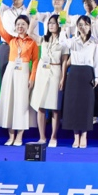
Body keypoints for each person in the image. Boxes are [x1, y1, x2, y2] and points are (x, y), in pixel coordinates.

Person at [0, 10, 38, 146]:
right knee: (10, 102)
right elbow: (0, 29)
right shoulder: (11, 40)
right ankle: (11, 136)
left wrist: (32, 78)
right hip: (11, 72)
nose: (20, 26)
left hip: (24, 73)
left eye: (23, 24)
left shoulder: (32, 42)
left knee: (21, 103)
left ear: (28, 26)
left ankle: (19, 136)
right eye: (18, 24)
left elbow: (35, 61)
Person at [60, 15, 98, 149]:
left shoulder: (94, 43)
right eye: (80, 25)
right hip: (74, 74)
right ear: (77, 27)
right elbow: (62, 42)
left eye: (85, 24)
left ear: (90, 26)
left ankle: (84, 135)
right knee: (73, 106)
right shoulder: (73, 41)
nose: (83, 27)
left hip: (88, 74)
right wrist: (63, 28)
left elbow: (97, 61)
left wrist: (97, 78)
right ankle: (76, 136)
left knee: (86, 106)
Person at [30, 14, 66, 146]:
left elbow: (64, 61)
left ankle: (53, 137)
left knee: (55, 107)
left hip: (55, 72)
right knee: (40, 106)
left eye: (53, 23)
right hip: (42, 72)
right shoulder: (43, 39)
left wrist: (63, 78)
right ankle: (42, 137)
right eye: (49, 23)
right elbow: (30, 33)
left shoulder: (63, 40)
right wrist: (33, 18)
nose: (51, 25)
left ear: (59, 25)